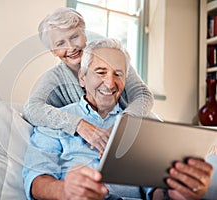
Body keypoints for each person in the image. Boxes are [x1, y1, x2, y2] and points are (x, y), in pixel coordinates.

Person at [22, 38, 213, 200]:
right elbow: (36, 179)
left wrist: (176, 191)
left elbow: (154, 191)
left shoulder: (141, 125)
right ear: (82, 77)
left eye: (118, 74)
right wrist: (65, 190)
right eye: (101, 72)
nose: (110, 83)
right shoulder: (56, 121)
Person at [23, 7, 154, 155]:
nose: (71, 47)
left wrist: (122, 124)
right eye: (60, 43)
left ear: (84, 35)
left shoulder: (110, 55)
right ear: (53, 51)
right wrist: (78, 124)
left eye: (74, 37)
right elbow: (31, 109)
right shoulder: (54, 78)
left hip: (137, 130)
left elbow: (143, 94)